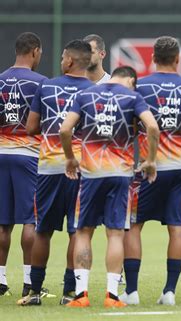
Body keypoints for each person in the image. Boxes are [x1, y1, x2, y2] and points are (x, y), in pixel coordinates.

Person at [59, 66, 159, 308]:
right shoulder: (132, 97)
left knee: (83, 231)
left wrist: (70, 158)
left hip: (91, 174)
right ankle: (112, 296)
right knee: (115, 233)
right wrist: (151, 161)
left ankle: (81, 295)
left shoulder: (85, 95)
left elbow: (64, 129)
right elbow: (153, 127)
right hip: (120, 174)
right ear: (131, 81)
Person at [119, 36, 181, 306]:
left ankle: (131, 292)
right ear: (178, 59)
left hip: (147, 168)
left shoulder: (139, 87)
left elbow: (131, 128)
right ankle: (170, 292)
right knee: (176, 229)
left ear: (152, 58)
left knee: (133, 227)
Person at [17, 40, 94, 306]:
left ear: (70, 61)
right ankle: (69, 293)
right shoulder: (95, 91)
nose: (61, 60)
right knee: (77, 232)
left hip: (48, 168)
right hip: (82, 170)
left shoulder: (46, 86)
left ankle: (34, 292)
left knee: (43, 231)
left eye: (63, 57)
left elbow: (30, 127)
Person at [0, 32, 47, 297]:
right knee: (31, 219)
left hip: (1, 154)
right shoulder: (42, 83)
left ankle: (0, 278)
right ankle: (30, 282)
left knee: (2, 222)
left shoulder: (0, 81)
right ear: (35, 52)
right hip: (29, 156)